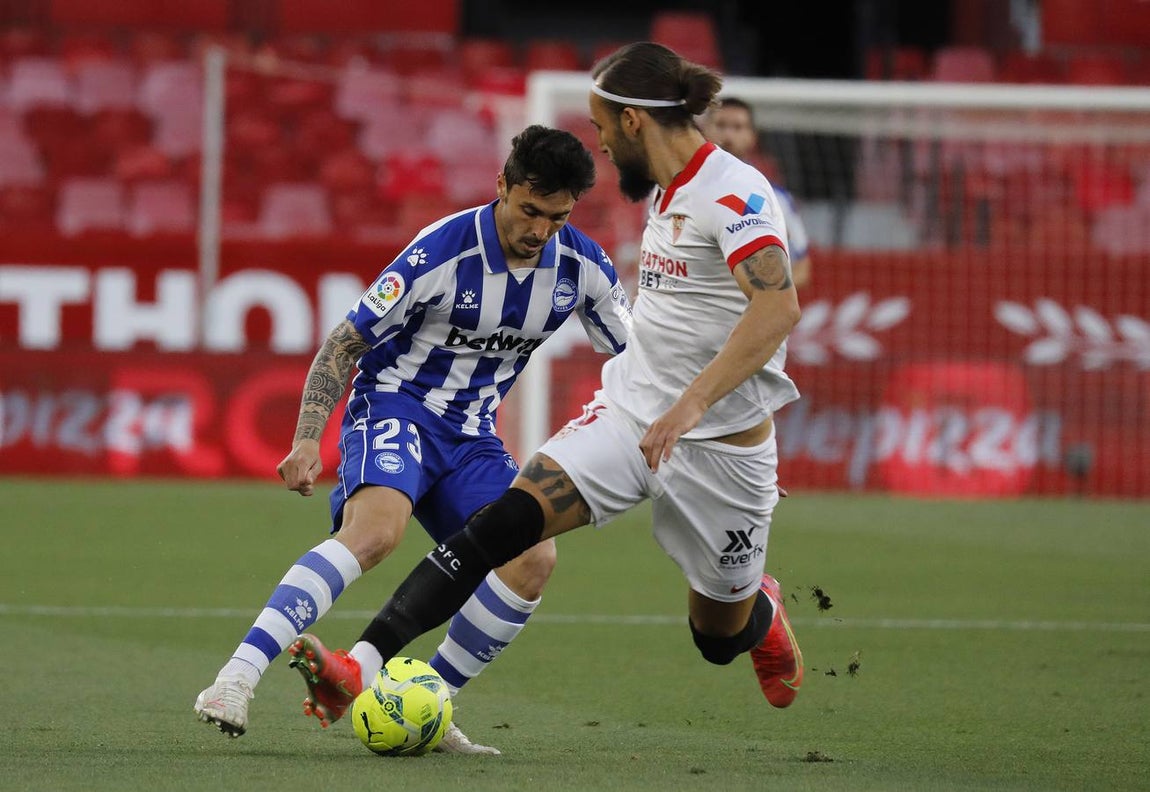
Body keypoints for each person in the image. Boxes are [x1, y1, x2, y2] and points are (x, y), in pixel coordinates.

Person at [289, 40, 805, 738]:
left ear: (631, 123)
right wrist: (660, 397)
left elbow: (776, 309)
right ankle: (363, 663)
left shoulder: (735, 193)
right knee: (504, 526)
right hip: (629, 419)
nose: (593, 140)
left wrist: (691, 405)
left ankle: (761, 613)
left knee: (718, 636)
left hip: (722, 447)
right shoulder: (664, 190)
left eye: (598, 125)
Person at [193, 125, 632, 754]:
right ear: (502, 186)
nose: (539, 230)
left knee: (534, 557)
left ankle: (430, 699)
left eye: (556, 217)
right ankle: (234, 680)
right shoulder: (441, 251)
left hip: (475, 435)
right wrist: (305, 439)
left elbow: (639, 360)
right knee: (376, 533)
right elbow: (345, 342)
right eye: (529, 210)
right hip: (397, 406)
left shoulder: (582, 266)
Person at [705, 97, 813, 289]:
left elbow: (802, 268)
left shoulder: (774, 198)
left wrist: (762, 295)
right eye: (721, 125)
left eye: (737, 127)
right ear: (705, 130)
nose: (728, 135)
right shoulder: (675, 189)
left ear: (752, 137)